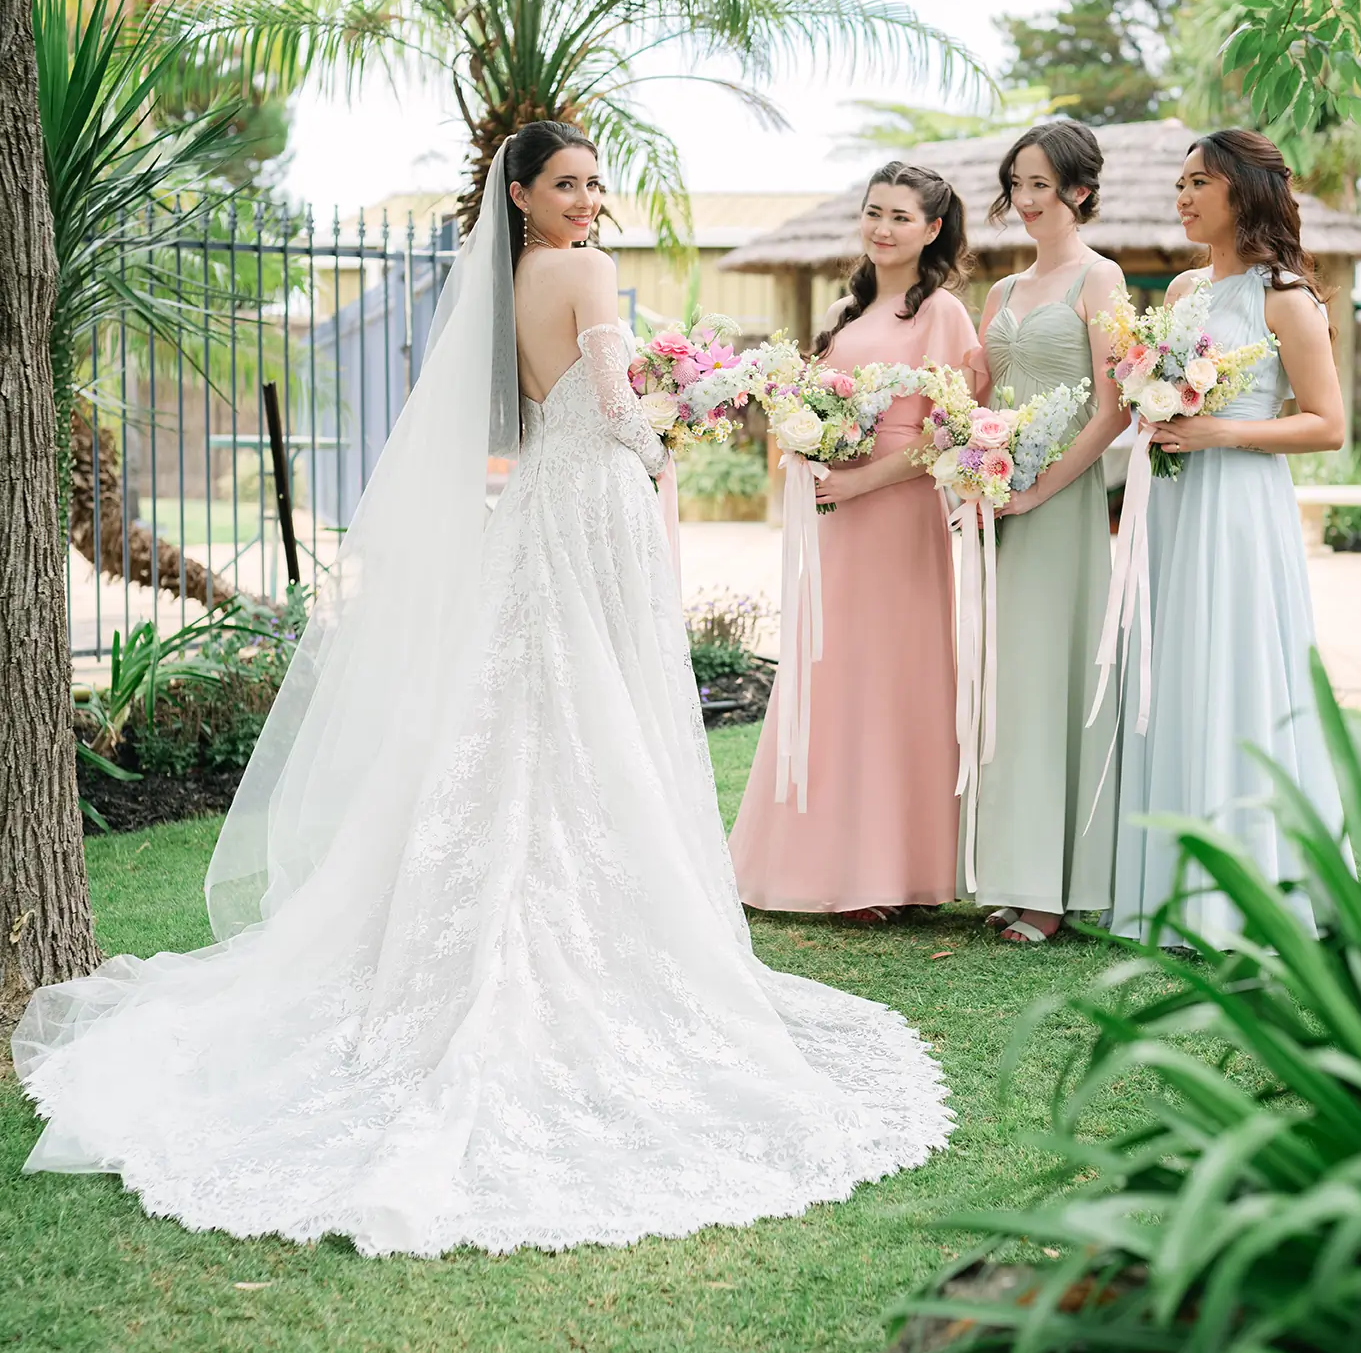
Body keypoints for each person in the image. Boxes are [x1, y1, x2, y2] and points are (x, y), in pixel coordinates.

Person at [12, 122, 951, 1257]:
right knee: (589, 696)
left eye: (594, 184)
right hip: (596, 499)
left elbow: (530, 407)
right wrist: (670, 434)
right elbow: (617, 410)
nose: (588, 201)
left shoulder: (507, 285)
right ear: (522, 193)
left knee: (529, 699)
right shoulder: (588, 271)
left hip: (541, 503)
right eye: (568, 184)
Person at [729, 161, 984, 919]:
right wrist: (809, 448)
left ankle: (899, 872)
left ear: (932, 229)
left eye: (901, 216)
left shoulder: (942, 313)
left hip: (899, 516)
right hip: (835, 517)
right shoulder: (846, 311)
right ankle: (828, 865)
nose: (883, 228)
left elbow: (952, 432)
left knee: (896, 677)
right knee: (830, 672)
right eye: (875, 212)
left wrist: (862, 482)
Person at [1111, 128, 1345, 944]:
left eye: (1198, 183)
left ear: (1243, 191)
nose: (1182, 197)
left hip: (1241, 506)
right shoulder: (1182, 291)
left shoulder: (1286, 297)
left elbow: (1327, 424)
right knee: (1175, 666)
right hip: (1175, 505)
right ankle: (1171, 886)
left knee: (1238, 664)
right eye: (1180, 184)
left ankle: (1250, 891)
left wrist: (1224, 433)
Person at [968, 120, 1129, 944]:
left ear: (1080, 190)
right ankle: (1012, 873)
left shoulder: (1101, 280)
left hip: (1059, 509)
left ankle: (1052, 891)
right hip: (994, 508)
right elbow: (975, 397)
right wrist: (972, 465)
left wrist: (1039, 491)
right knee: (1004, 687)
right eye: (1017, 185)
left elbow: (1114, 410)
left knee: (1047, 681)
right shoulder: (1000, 292)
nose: (1026, 200)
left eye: (1040, 184)